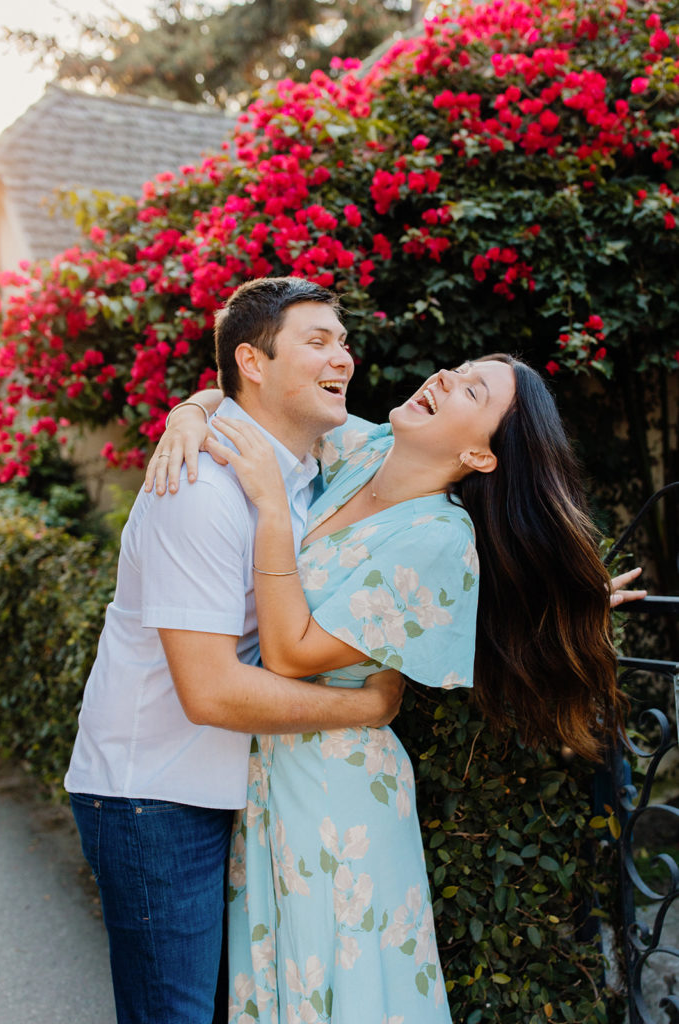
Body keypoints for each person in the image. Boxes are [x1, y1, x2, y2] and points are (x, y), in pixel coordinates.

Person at [151, 352, 640, 1023]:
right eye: (455, 369)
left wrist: (269, 504)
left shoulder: (438, 538)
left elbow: (291, 652)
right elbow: (252, 407)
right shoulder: (365, 451)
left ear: (481, 455)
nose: (442, 378)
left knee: (339, 998)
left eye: (471, 389)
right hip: (267, 780)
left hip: (339, 799)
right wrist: (187, 414)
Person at [63, 276, 405, 1024]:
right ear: (253, 362)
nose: (341, 357)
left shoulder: (318, 467)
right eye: (317, 342)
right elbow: (211, 691)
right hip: (152, 792)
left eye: (342, 342)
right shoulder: (198, 486)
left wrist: (545, 598)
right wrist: (364, 707)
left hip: (233, 784)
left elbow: (437, 485)